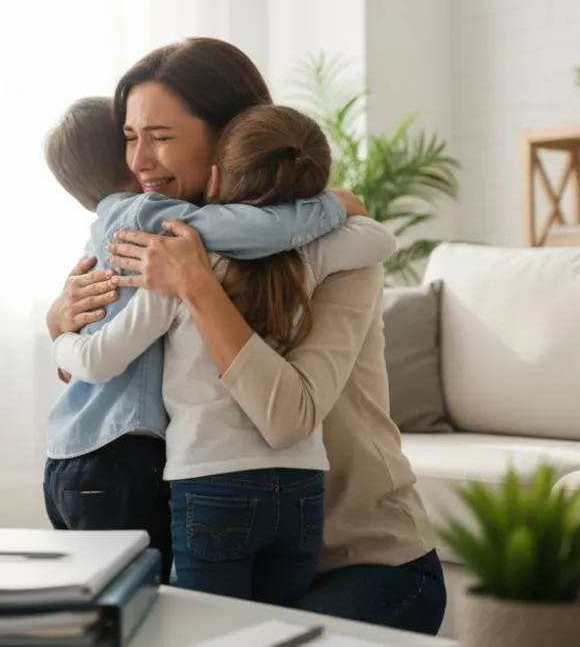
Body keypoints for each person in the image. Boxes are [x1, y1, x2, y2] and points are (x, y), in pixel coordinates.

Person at [47, 37, 447, 635]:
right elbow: (103, 368)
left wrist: (199, 289)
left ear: (230, 131)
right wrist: (61, 318)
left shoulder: (333, 252)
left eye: (160, 136)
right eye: (130, 137)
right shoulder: (168, 243)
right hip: (233, 552)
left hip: (368, 561)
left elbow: (290, 416)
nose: (138, 162)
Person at [41, 96, 363, 585]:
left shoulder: (104, 231)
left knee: (111, 612)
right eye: (133, 139)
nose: (146, 155)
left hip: (72, 454)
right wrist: (333, 205)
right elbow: (259, 231)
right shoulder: (152, 219)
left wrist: (59, 334)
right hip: (122, 458)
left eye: (159, 137)